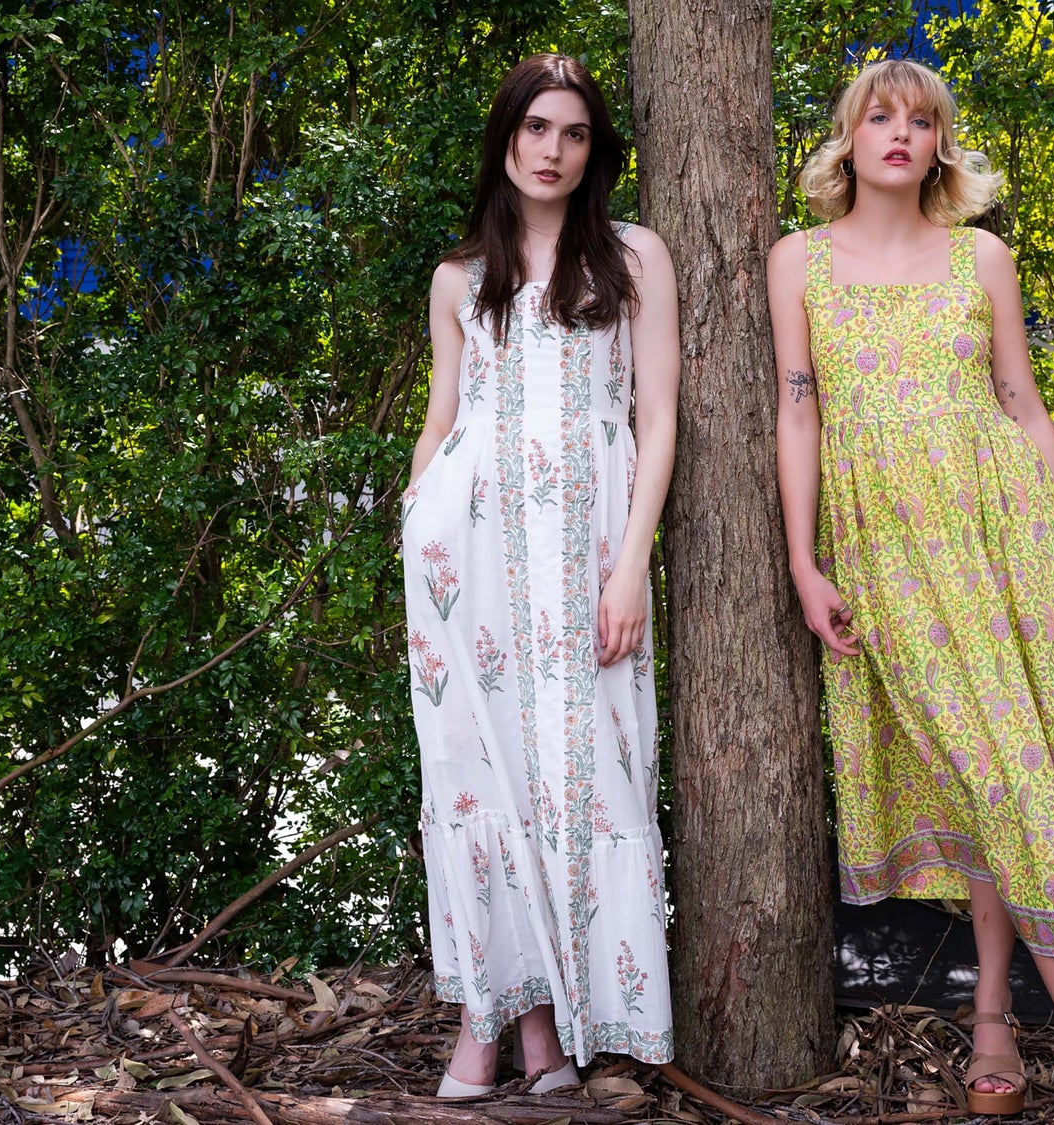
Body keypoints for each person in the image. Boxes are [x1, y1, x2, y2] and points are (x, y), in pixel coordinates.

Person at [769, 59, 1054, 1123]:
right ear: (848, 139)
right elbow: (797, 413)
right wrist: (804, 562)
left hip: (1005, 537)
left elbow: (1021, 406)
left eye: (920, 121)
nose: (898, 133)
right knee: (988, 778)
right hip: (886, 549)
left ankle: (1006, 1018)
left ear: (940, 144)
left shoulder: (980, 256)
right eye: (878, 117)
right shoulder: (796, 262)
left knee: (1014, 783)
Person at [402, 52, 680, 1097]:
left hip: (588, 560)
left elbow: (656, 422)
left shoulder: (634, 258)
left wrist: (630, 566)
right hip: (461, 567)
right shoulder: (457, 279)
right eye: (534, 130)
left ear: (593, 150)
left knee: (590, 774)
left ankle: (573, 1019)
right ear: (505, 139)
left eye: (572, 134)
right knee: (483, 783)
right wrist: (415, 529)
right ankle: (509, 1028)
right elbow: (442, 421)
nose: (551, 151)